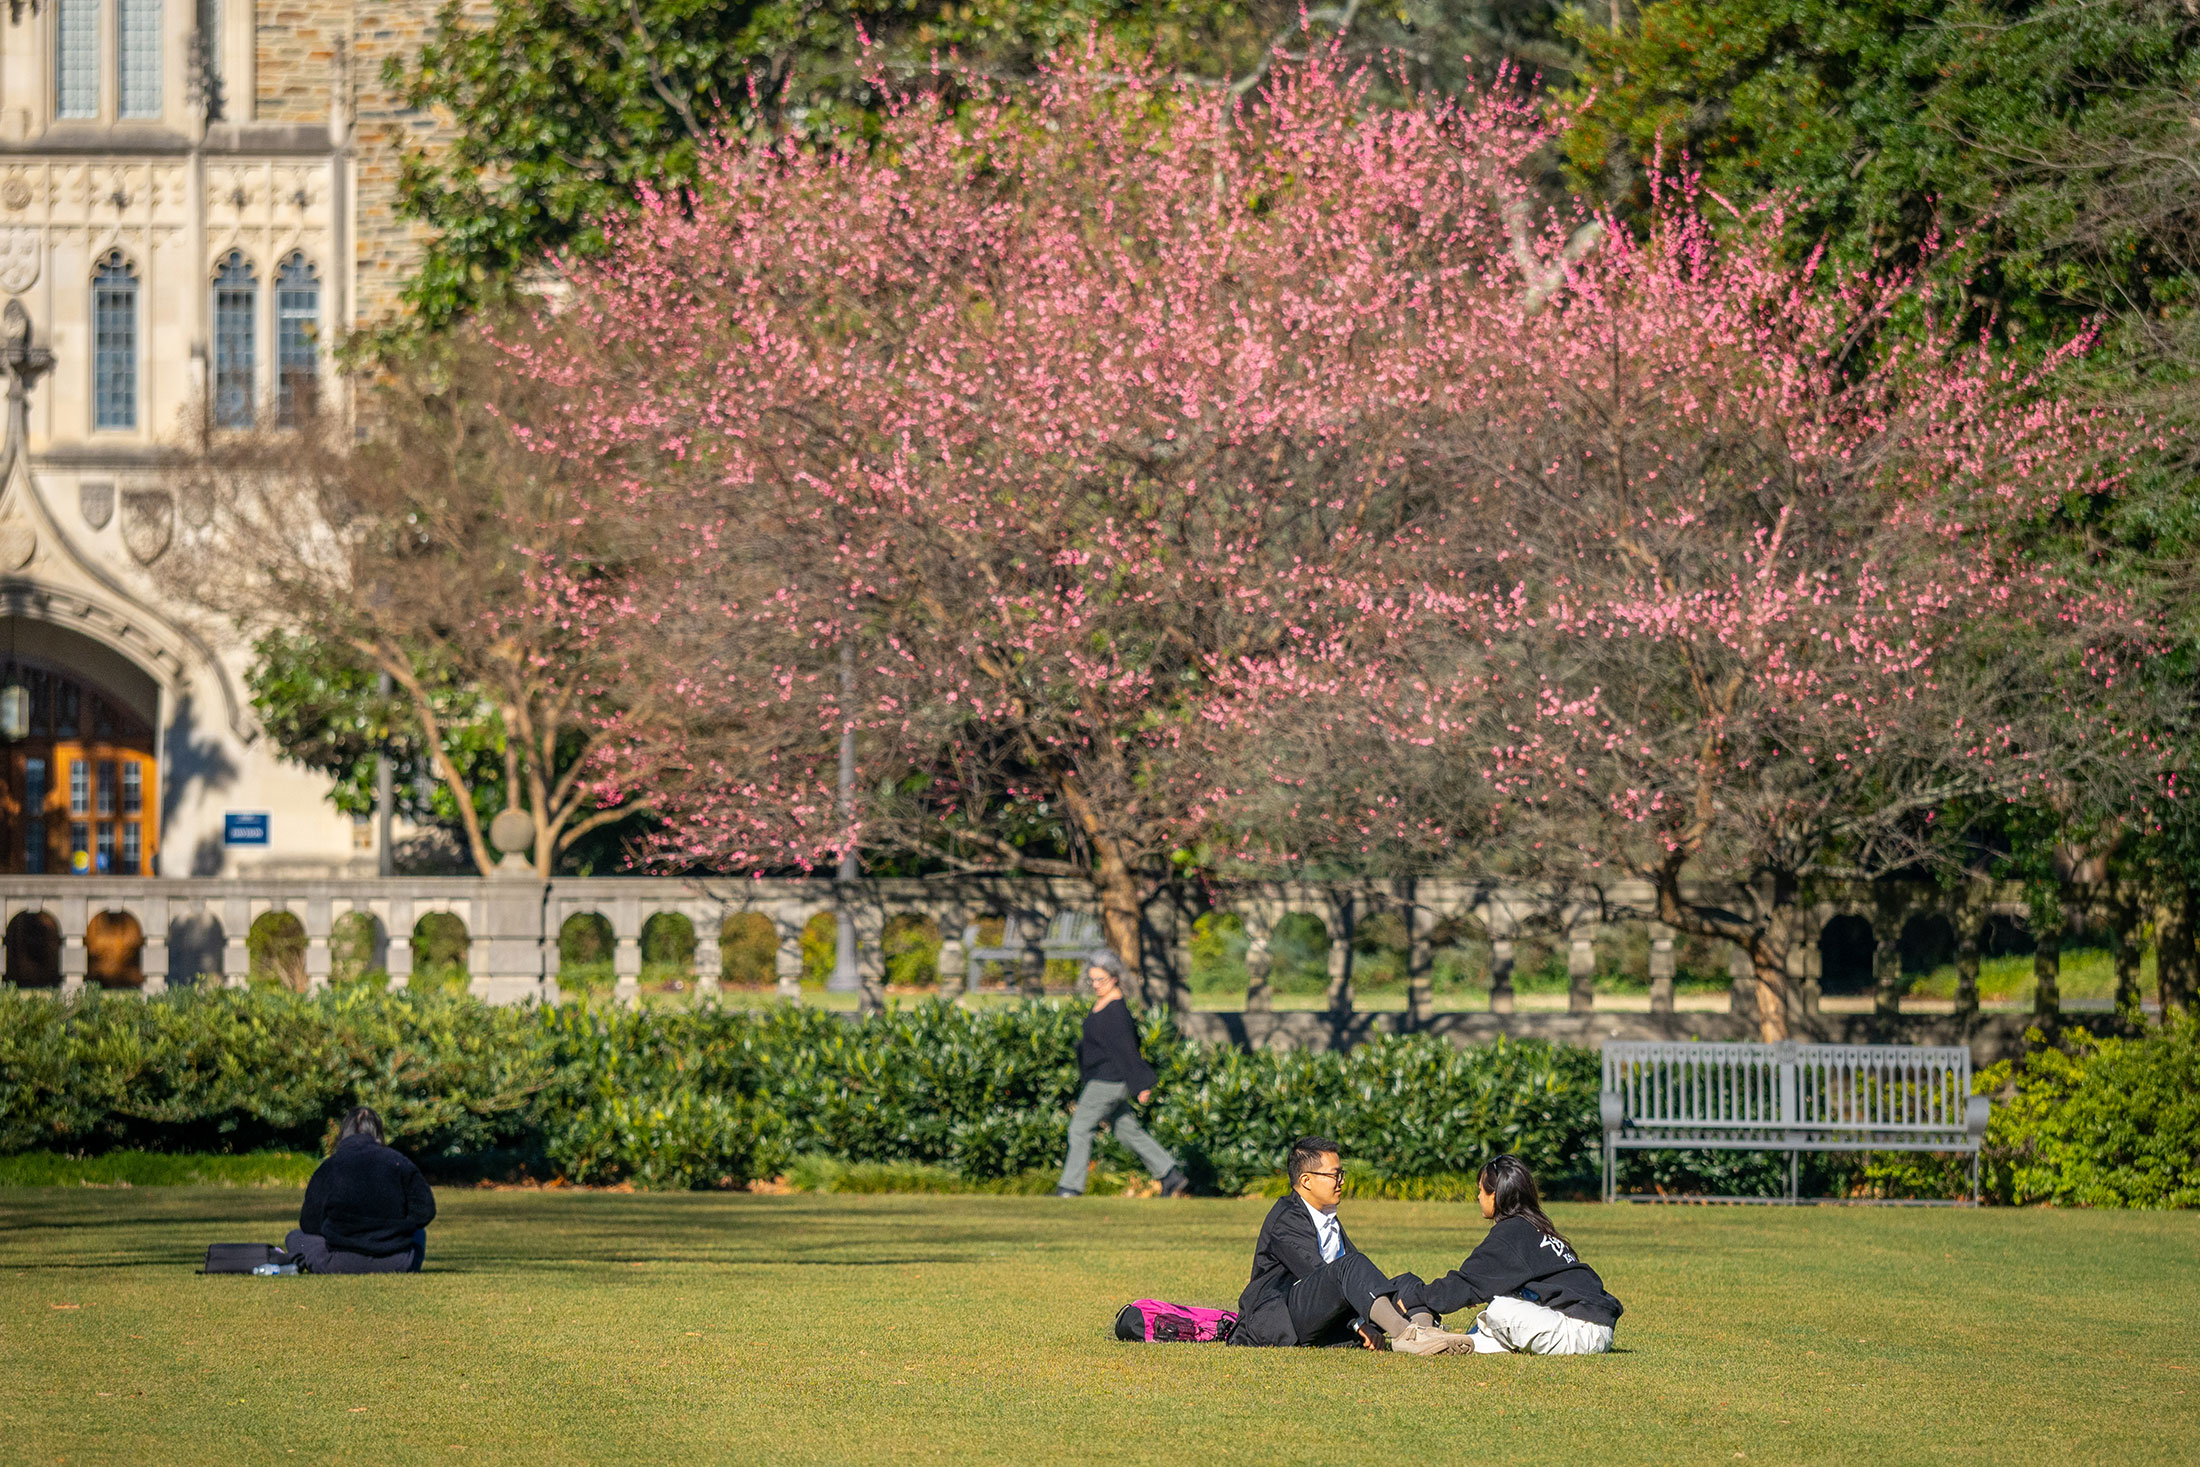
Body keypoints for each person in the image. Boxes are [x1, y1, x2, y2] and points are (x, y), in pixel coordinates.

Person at [1229, 1136, 1473, 1355]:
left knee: (1406, 1284)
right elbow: (1321, 1277)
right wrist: (1359, 1324)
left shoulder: (1325, 1216)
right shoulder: (1286, 1219)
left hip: (1325, 1313)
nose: (1340, 1182)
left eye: (1340, 1174)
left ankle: (1426, 1335)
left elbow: (1351, 1283)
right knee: (1350, 1266)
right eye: (1334, 1175)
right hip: (1284, 1317)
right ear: (1306, 1180)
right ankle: (1405, 1334)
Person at [1396, 1154, 1622, 1355]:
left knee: (1499, 1310)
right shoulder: (1535, 1226)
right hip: (1592, 1325)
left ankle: (1469, 1342)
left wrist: (1411, 1299)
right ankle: (1470, 1342)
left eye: (1481, 1190)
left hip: (1583, 1331)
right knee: (1498, 1308)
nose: (1478, 1197)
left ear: (1496, 1195)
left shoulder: (1512, 1232)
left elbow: (1465, 1283)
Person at [1054, 951, 1191, 1198]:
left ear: (1115, 978)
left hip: (1107, 1081)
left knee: (1079, 1129)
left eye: (1101, 980)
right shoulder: (1105, 1005)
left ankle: (1070, 1188)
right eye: (1093, 980)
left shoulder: (1116, 1011)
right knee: (1126, 1130)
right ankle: (1170, 1174)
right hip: (1106, 1080)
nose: (1096, 985)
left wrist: (1142, 1084)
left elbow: (1128, 1050)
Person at [284, 1107, 436, 1275]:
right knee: (419, 1233)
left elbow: (309, 1224)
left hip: (338, 1261)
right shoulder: (399, 1162)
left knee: (295, 1237)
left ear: (344, 1133)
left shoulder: (329, 1167)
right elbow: (425, 1212)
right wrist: (397, 1230)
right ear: (378, 1132)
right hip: (398, 1261)